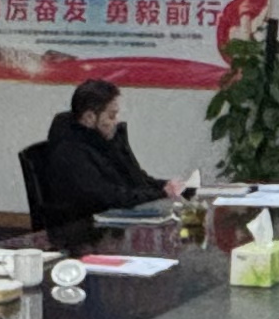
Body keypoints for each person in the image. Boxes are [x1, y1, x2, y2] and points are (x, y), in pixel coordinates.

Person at [40, 79, 177, 217]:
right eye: (111, 116)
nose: (116, 121)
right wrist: (161, 193)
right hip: (86, 224)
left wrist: (164, 185)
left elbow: (135, 177)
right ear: (89, 117)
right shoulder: (70, 151)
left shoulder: (103, 140)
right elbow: (108, 196)